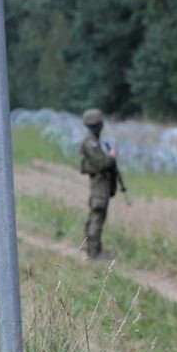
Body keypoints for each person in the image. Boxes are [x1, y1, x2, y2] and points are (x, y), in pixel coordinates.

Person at [78, 108, 121, 259]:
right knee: (97, 215)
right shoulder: (91, 143)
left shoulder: (93, 141)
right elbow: (101, 163)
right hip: (99, 184)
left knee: (95, 215)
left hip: (100, 183)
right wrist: (111, 158)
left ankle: (91, 249)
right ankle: (95, 252)